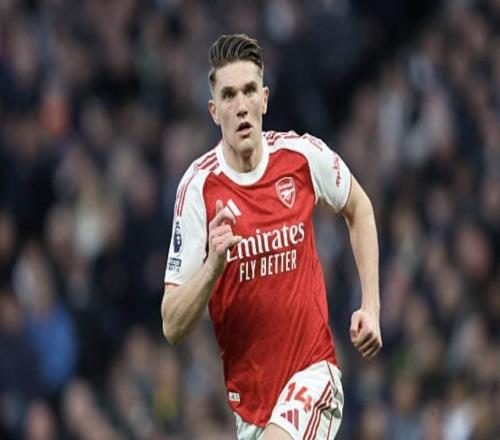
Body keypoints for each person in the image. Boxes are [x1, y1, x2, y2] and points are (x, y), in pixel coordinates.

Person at [161, 34, 382, 440]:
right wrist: (211, 268)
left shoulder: (302, 157)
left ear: (264, 99)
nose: (241, 106)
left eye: (249, 91)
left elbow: (360, 209)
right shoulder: (198, 190)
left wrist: (371, 306)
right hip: (252, 409)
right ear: (214, 111)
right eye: (228, 95)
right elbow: (172, 325)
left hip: (314, 377)